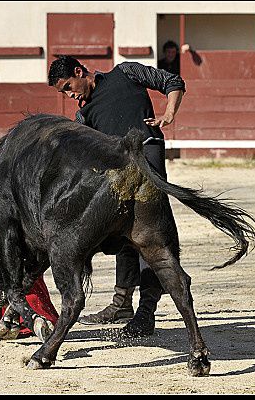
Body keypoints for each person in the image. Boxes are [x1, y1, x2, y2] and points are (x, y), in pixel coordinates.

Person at [47, 55, 186, 337]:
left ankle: (147, 310)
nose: (69, 94)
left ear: (79, 71)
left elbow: (173, 81)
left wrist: (169, 113)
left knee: (150, 233)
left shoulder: (126, 72)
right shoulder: (83, 116)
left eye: (68, 86)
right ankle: (122, 303)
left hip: (147, 154)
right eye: (63, 92)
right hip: (117, 174)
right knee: (124, 232)